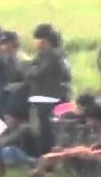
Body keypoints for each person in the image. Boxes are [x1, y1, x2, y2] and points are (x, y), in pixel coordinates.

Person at [25, 23, 70, 156]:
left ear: (45, 40)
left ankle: (46, 158)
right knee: (48, 131)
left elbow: (35, 73)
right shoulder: (55, 54)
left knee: (46, 132)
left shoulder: (51, 56)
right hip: (50, 98)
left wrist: (28, 69)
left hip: (47, 99)